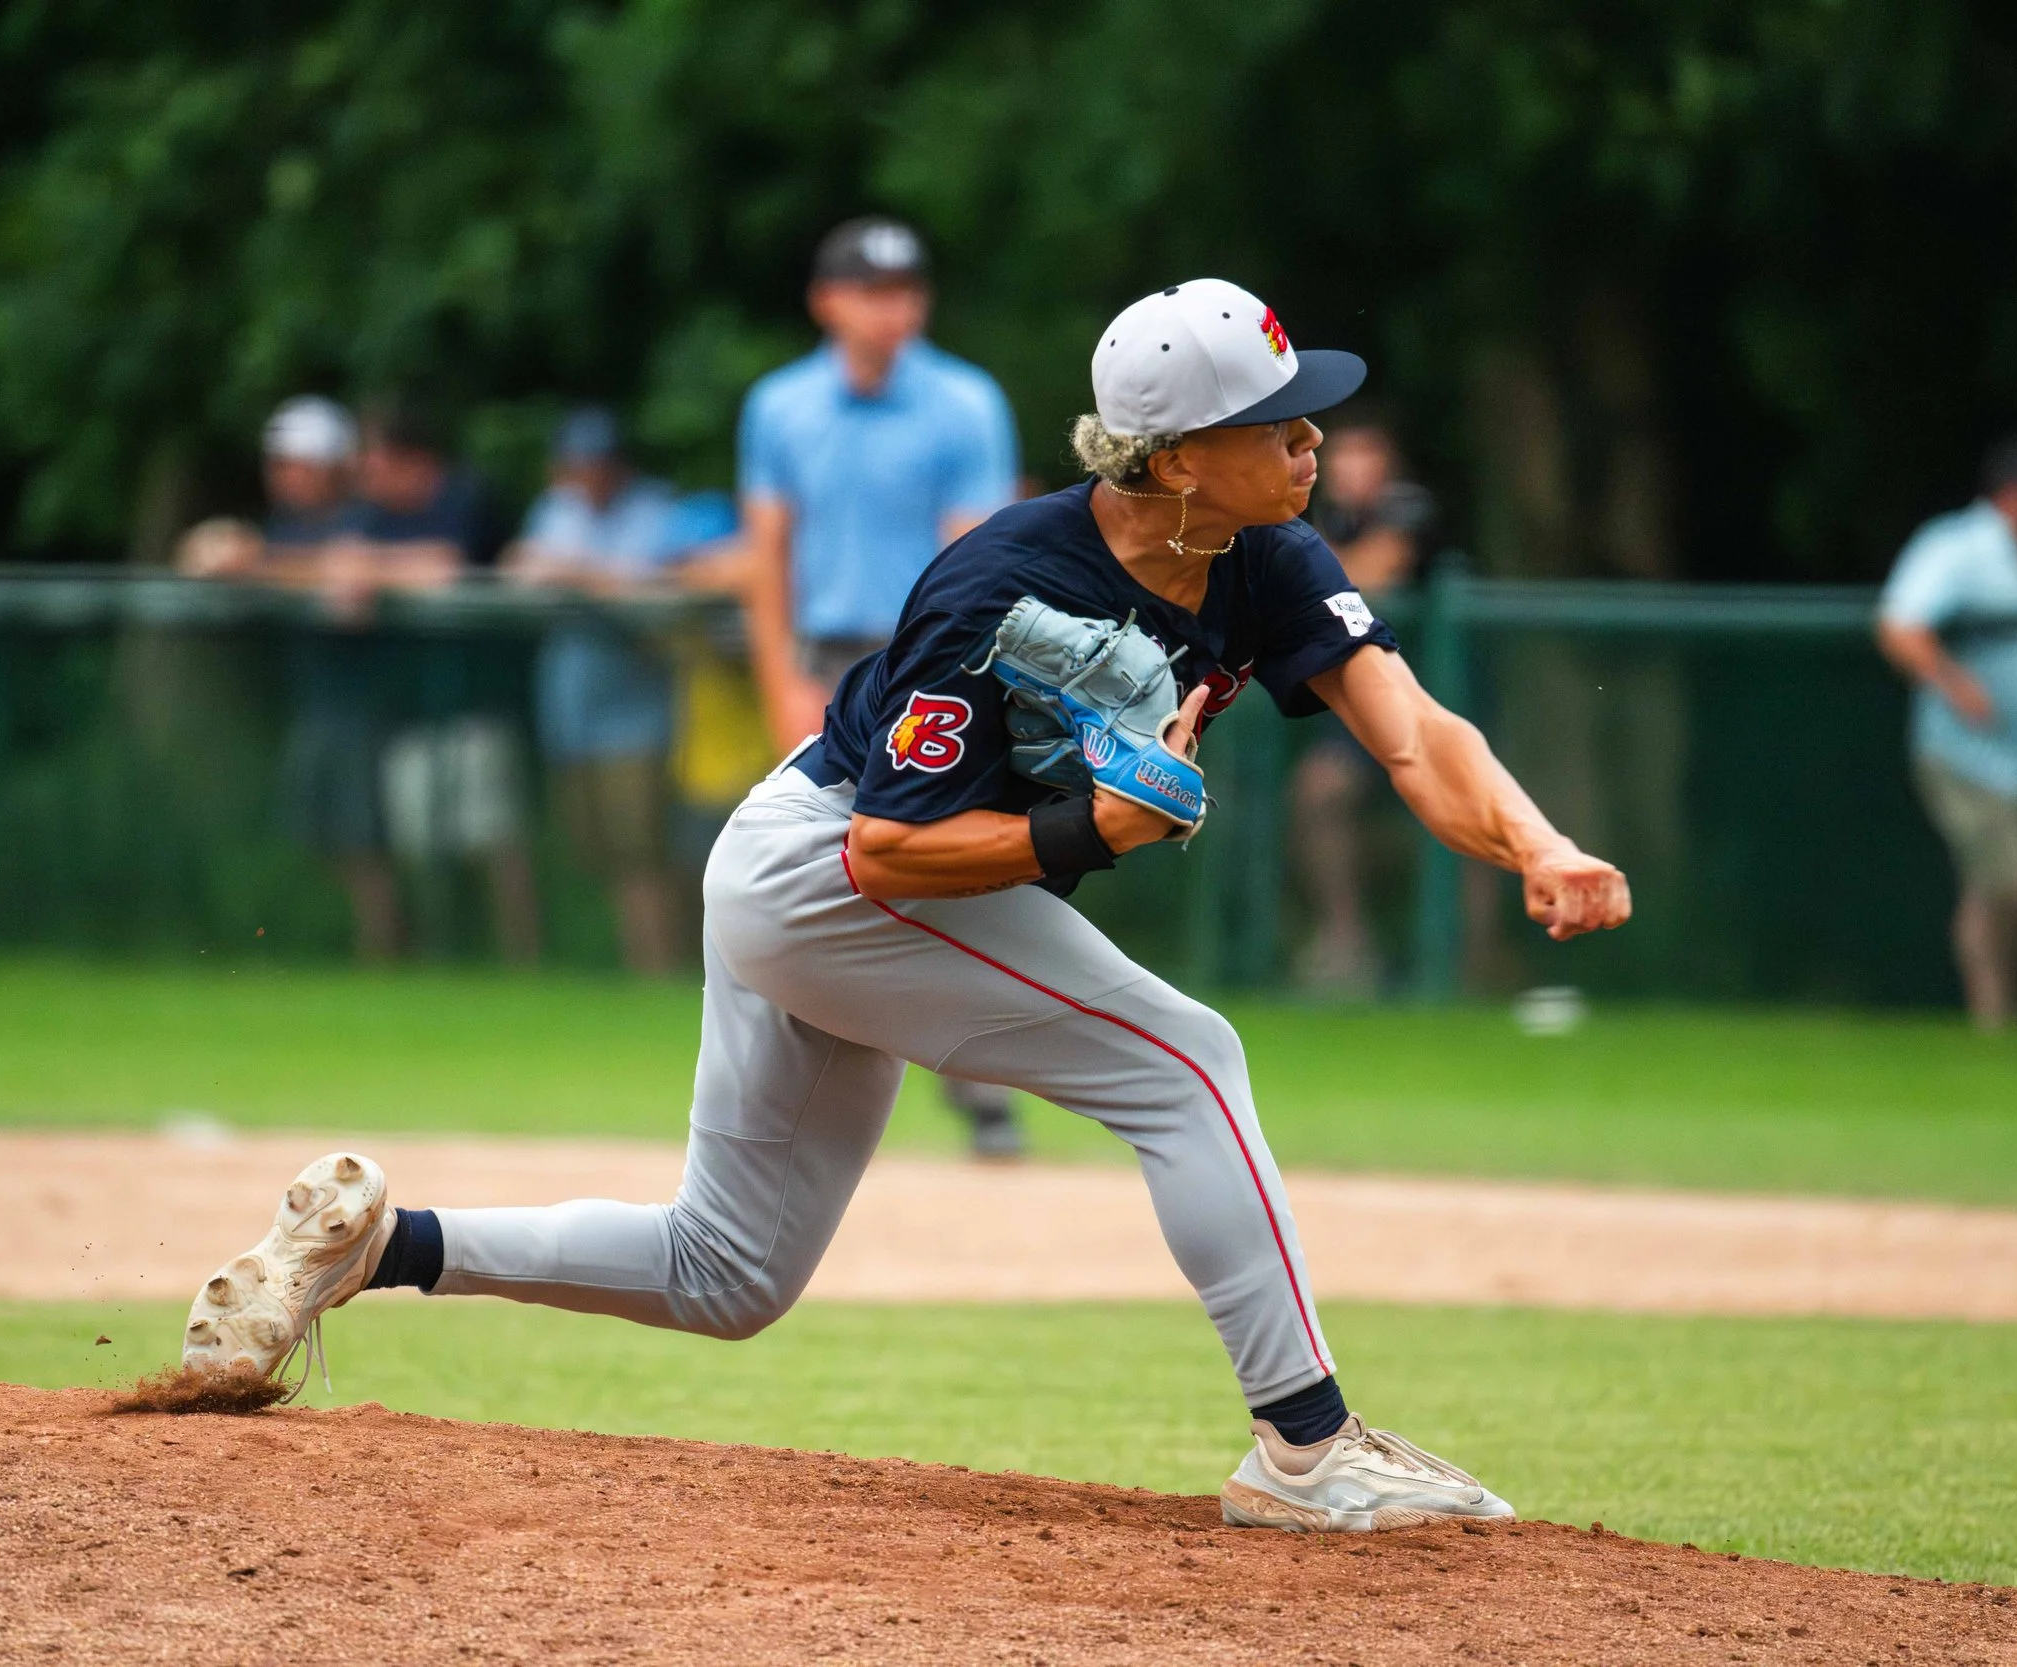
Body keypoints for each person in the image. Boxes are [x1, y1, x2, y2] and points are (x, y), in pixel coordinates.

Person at [183, 279, 1633, 1532]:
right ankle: (1309, 1447)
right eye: (1280, 421)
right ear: (1180, 457)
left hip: (836, 872)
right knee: (1188, 1060)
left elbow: (1415, 731)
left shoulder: (1266, 558)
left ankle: (380, 1245)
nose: (1315, 440)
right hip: (824, 869)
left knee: (727, 1271)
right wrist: (1087, 827)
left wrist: (1539, 844)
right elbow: (886, 849)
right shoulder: (1000, 584)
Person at [737, 215, 1029, 1158]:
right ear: (828, 300)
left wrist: (955, 691)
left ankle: (986, 1090)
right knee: (799, 874)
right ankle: (793, 1094)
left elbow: (974, 556)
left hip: (927, 663)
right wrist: (779, 674)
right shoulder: (781, 406)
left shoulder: (963, 403)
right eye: (872, 290)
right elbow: (767, 557)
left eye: (906, 290)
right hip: (825, 657)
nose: (892, 308)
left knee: (938, 873)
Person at [505, 407, 744, 974]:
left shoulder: (656, 512)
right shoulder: (554, 511)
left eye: (598, 464)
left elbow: (658, 591)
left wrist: (575, 574)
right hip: (571, 712)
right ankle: (623, 967)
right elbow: (520, 567)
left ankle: (660, 969)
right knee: (597, 850)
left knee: (644, 851)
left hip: (638, 714)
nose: (588, 476)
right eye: (576, 465)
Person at [176, 396, 404, 963]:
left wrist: (262, 567)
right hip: (314, 702)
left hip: (365, 703)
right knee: (320, 835)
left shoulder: (364, 520)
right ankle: (381, 940)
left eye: (296, 464)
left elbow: (349, 573)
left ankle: (387, 949)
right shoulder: (281, 529)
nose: (283, 477)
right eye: (278, 464)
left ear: (330, 468)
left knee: (363, 838)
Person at [1876, 432, 2017, 1029]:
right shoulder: (1956, 547)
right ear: (2016, 495)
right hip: (1964, 753)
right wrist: (1956, 684)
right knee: (2007, 881)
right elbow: (1899, 626)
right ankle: (1993, 1016)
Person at [353, 397, 540, 967]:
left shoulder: (465, 496)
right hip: (409, 708)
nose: (366, 472)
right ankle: (440, 958)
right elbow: (344, 558)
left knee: (495, 843)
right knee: (420, 847)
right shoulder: (374, 514)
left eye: (376, 458)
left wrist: (371, 572)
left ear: (409, 458)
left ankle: (522, 962)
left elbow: (444, 565)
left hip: (477, 703)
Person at [1286, 410, 1440, 993]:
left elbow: (1367, 574)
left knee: (1460, 809)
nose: (1350, 467)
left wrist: (1304, 569)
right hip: (1355, 700)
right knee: (1319, 793)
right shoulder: (1326, 517)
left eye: (1364, 453)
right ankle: (1346, 946)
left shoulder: (1408, 506)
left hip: (1432, 692)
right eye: (1342, 454)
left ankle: (1476, 961)